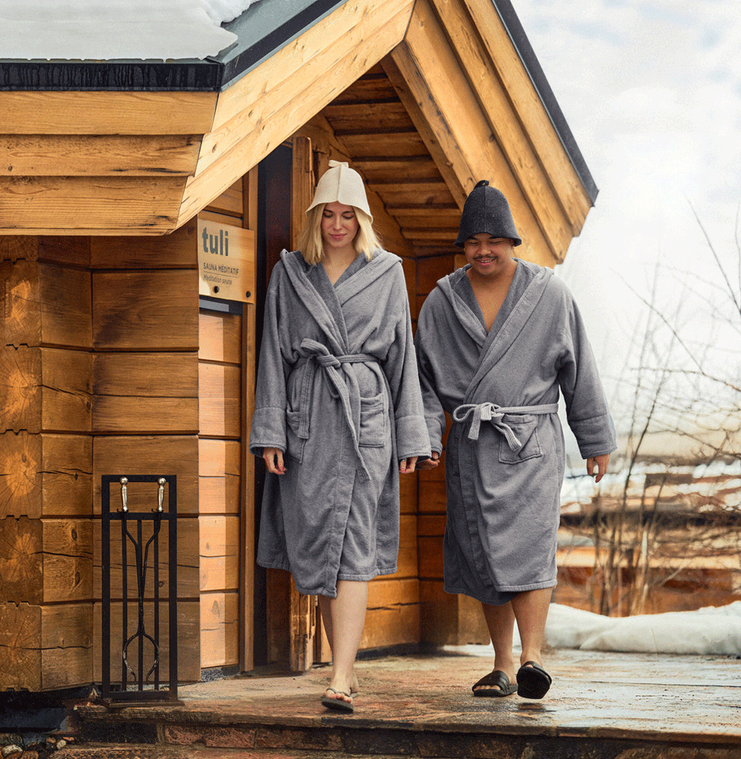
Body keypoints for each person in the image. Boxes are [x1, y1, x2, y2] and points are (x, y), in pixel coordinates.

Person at [415, 179, 616, 700]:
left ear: (512, 241)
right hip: (473, 444)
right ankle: (502, 664)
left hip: (531, 444)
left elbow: (580, 369)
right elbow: (422, 379)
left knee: (529, 549)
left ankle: (533, 658)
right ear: (464, 246)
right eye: (474, 242)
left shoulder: (549, 294)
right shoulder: (441, 302)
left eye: (494, 241)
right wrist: (426, 435)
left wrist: (594, 439)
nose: (484, 251)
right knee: (482, 551)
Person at [250, 160, 431, 712]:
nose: (336, 225)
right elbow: (273, 357)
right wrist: (271, 431)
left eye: (346, 215)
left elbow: (404, 358)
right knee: (321, 550)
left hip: (366, 419)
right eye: (327, 215)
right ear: (314, 218)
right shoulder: (291, 273)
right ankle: (343, 672)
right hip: (308, 418)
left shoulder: (388, 271)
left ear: (363, 219)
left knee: (352, 544)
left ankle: (340, 675)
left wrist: (410, 437)